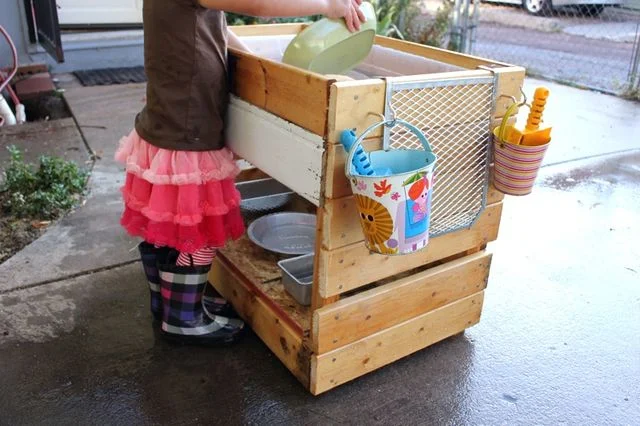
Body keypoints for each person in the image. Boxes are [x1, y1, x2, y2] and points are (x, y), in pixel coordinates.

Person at [115, 0, 366, 346]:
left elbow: (212, 29)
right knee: (198, 232)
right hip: (191, 128)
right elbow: (260, 4)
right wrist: (327, 4)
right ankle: (183, 318)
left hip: (167, 122)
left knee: (169, 227)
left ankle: (171, 301)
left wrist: (261, 66)